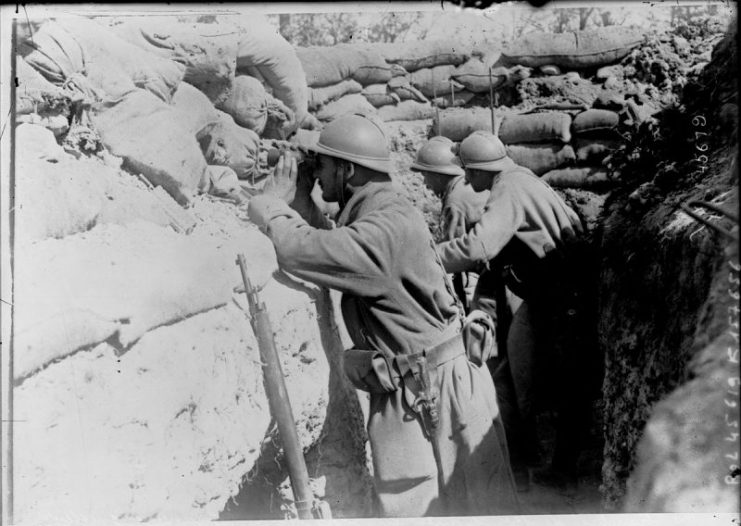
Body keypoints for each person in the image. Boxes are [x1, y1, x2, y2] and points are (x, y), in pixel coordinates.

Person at [247, 114, 519, 517]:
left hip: (435, 391)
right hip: (430, 384)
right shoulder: (382, 211)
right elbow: (336, 244)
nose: (317, 175)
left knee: (449, 508)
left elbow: (305, 251)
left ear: (348, 169)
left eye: (322, 166)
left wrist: (269, 204)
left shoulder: (384, 229)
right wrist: (303, 196)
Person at [435, 131, 602, 493]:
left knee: (553, 384)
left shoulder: (506, 189)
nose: (466, 180)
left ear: (481, 169)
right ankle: (562, 471)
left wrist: (430, 258)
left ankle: (560, 475)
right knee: (566, 384)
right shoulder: (526, 178)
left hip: (562, 297)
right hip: (564, 292)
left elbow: (480, 245)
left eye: (469, 172)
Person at [410, 136, 490, 312]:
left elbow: (456, 257)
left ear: (439, 174)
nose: (424, 183)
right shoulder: (466, 186)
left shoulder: (456, 202)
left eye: (426, 175)